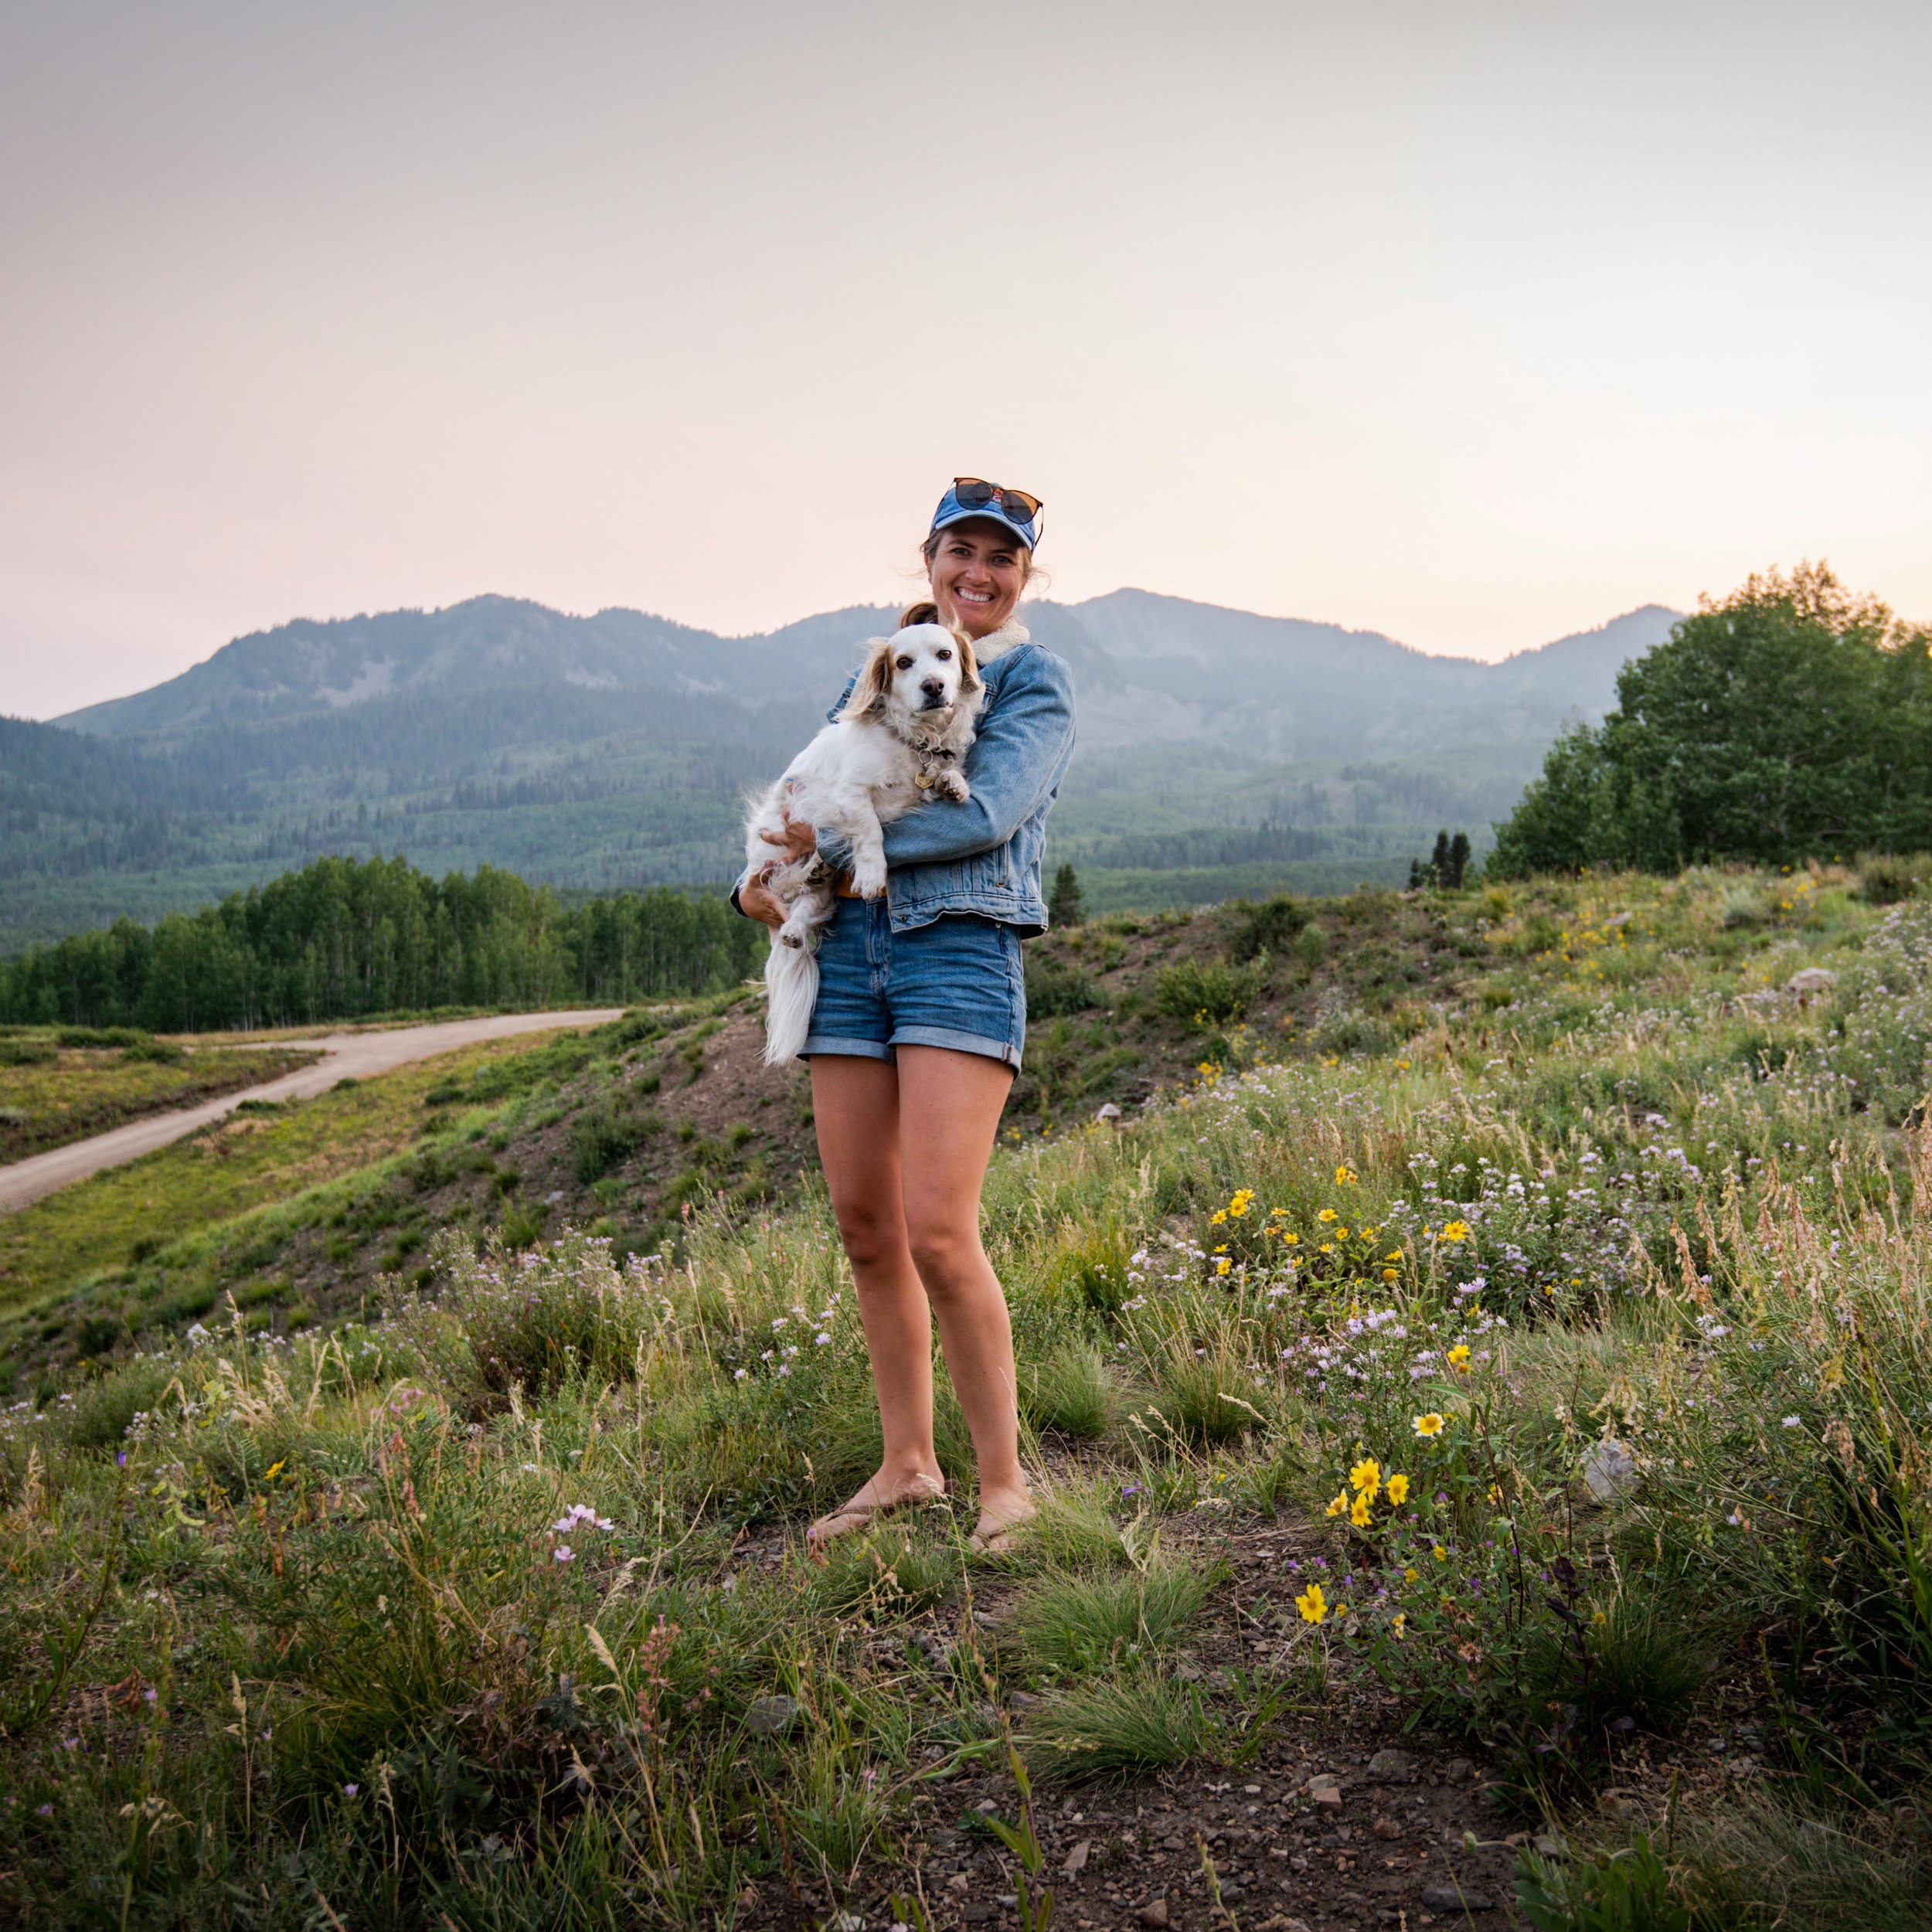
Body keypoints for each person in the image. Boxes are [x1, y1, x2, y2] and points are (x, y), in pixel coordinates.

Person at [736, 478, 1075, 1553]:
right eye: (960, 553)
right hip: (846, 953)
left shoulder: (1034, 681)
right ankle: (905, 1468)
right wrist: (754, 881)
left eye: (1001, 558)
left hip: (956, 952)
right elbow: (819, 783)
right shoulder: (883, 661)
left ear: (1022, 576)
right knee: (866, 1226)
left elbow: (987, 816)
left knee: (938, 1227)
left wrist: (824, 854)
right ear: (928, 560)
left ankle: (1006, 1485)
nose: (977, 573)